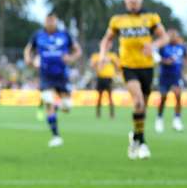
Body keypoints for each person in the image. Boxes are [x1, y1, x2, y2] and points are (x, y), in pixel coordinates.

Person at [98, 0, 169, 160]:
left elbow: (164, 37)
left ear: (141, 0)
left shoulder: (151, 18)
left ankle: (135, 138)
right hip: (128, 67)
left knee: (143, 107)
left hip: (147, 67)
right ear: (125, 0)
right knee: (137, 102)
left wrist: (153, 46)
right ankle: (142, 142)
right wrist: (102, 55)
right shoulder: (117, 20)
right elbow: (106, 40)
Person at [24, 14, 82, 147]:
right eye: (47, 20)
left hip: (62, 75)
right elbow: (28, 49)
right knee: (49, 100)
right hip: (46, 75)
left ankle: (55, 105)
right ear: (44, 22)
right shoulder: (38, 35)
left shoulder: (65, 35)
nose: (50, 23)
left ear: (56, 22)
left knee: (67, 107)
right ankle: (56, 136)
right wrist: (28, 58)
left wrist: (71, 58)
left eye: (52, 20)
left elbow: (78, 51)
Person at [155, 28, 187, 133]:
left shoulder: (182, 47)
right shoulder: (163, 47)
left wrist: (184, 65)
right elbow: (156, 57)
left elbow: (186, 58)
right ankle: (159, 119)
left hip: (176, 76)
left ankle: (177, 120)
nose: (172, 37)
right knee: (163, 97)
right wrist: (165, 61)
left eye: (174, 35)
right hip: (164, 76)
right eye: (170, 35)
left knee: (178, 96)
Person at [90, 47, 120, 118]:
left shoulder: (112, 55)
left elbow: (118, 65)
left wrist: (111, 61)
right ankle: (98, 114)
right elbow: (92, 66)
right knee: (99, 97)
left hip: (109, 78)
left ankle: (112, 114)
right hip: (100, 78)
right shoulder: (96, 56)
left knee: (110, 97)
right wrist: (100, 61)